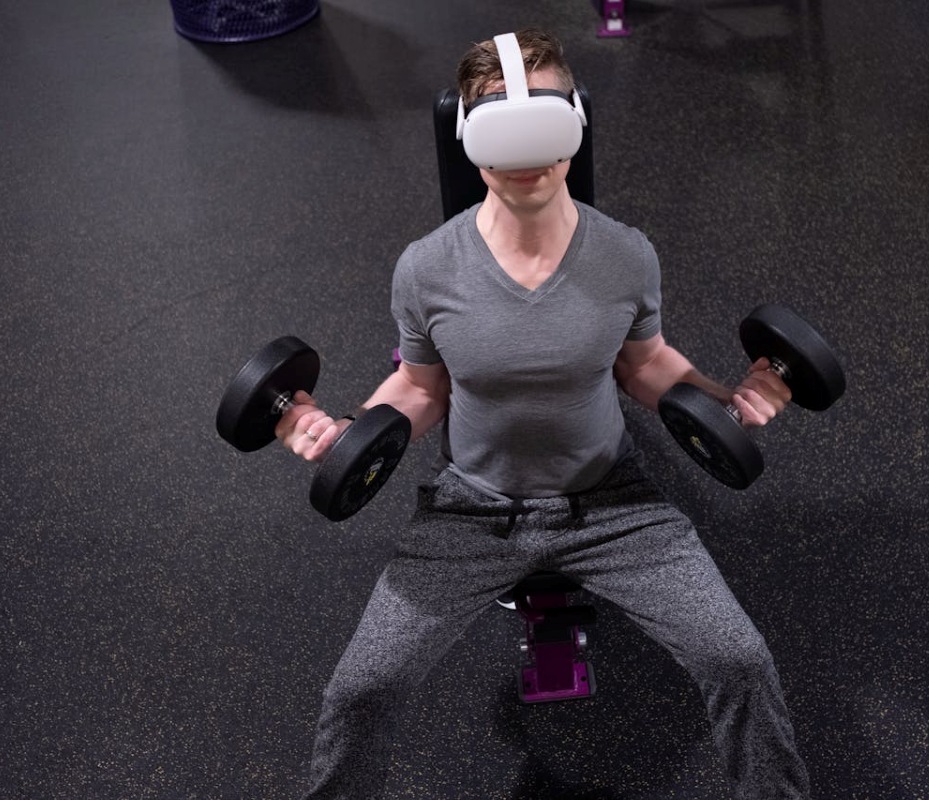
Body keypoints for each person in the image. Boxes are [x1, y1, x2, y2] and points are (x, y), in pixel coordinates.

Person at [276, 28, 810, 800]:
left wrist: (731, 400)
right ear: (467, 137)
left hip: (612, 504)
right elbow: (422, 390)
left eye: (546, 127)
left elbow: (642, 363)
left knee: (741, 660)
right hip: (473, 508)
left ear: (575, 129)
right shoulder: (426, 268)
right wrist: (340, 433)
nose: (528, 156)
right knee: (362, 689)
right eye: (501, 128)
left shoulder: (626, 255)